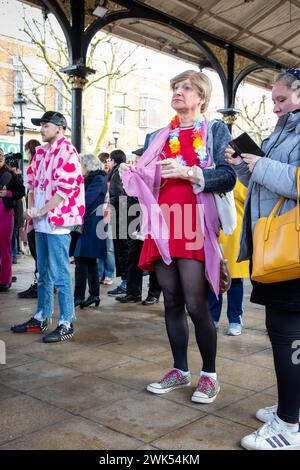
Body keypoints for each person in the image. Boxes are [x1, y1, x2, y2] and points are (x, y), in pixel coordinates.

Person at [120, 70, 236, 403]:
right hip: (163, 224)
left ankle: (209, 375)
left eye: (187, 88)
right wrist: (133, 172)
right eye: (175, 87)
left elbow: (228, 177)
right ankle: (179, 370)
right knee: (171, 300)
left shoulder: (214, 130)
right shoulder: (157, 135)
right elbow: (146, 180)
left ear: (202, 97)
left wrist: (189, 172)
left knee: (197, 303)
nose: (179, 92)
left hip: (195, 223)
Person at [225, 68, 300, 450]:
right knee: (285, 332)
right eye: (273, 100)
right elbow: (265, 182)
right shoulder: (284, 130)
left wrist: (261, 163)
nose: (275, 108)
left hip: (293, 251)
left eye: (281, 100)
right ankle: (293, 409)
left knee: (287, 334)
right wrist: (243, 163)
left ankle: (289, 426)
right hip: (277, 247)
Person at [11, 111, 85, 343]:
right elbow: (31, 185)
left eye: (45, 125)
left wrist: (41, 211)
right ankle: (41, 317)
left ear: (59, 128)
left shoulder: (68, 151)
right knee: (42, 272)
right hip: (41, 220)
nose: (42, 129)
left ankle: (66, 322)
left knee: (61, 273)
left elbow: (64, 192)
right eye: (41, 125)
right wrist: (32, 212)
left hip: (58, 221)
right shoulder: (40, 152)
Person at [208, 180, 249, 335]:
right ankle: (212, 317)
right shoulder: (213, 175)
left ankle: (235, 319)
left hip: (234, 235)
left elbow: (247, 197)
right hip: (214, 233)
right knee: (212, 278)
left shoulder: (240, 179)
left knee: (235, 280)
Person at [71, 153, 107, 308]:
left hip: (91, 225)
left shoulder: (98, 179)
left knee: (81, 261)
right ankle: (94, 295)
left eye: (81, 165)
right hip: (90, 224)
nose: (79, 168)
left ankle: (79, 297)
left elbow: (86, 199)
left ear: (88, 165)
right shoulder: (92, 179)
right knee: (90, 261)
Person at [18, 139, 41, 299]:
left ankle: (40, 283)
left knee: (39, 254)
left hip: (37, 217)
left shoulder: (36, 165)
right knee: (39, 255)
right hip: (35, 216)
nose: (26, 153)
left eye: (27, 150)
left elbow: (33, 191)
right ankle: (41, 282)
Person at [0, 149, 25, 291]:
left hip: (4, 213)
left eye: (2, 155)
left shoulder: (10, 174)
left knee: (4, 248)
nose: (1, 158)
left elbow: (21, 191)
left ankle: (5, 280)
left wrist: (8, 193)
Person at [107, 149, 129, 296]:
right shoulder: (120, 173)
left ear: (114, 160)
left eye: (109, 159)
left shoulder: (116, 175)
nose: (107, 162)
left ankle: (125, 283)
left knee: (122, 251)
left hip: (121, 217)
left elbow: (118, 196)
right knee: (123, 251)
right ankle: (126, 282)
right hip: (124, 216)